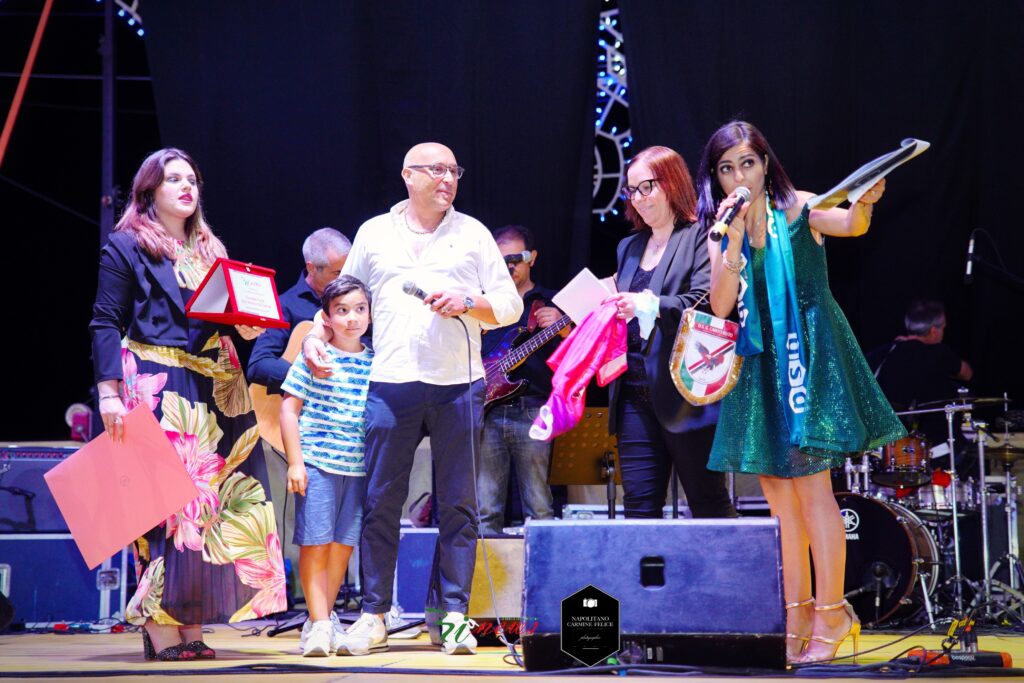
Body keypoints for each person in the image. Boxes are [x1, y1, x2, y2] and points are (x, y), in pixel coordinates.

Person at [301, 142, 522, 655]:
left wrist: (471, 301)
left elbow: (509, 305)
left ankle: (454, 617)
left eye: (453, 171)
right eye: (436, 169)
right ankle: (375, 613)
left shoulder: (473, 235)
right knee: (380, 502)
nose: (447, 178)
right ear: (408, 175)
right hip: (388, 384)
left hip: (459, 387)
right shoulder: (375, 233)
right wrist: (316, 331)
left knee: (460, 507)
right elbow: (343, 296)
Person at [698, 121, 905, 664]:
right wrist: (732, 241)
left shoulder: (801, 206)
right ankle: (796, 614)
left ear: (766, 163)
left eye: (747, 162)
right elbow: (721, 306)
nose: (738, 175)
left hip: (807, 356)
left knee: (814, 493)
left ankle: (833, 612)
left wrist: (866, 202)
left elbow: (850, 224)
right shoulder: (723, 227)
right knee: (780, 503)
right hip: (762, 358)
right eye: (726, 168)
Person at [90, 148, 285, 661]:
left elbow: (229, 316)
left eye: (192, 179)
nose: (185, 187)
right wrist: (108, 392)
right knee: (165, 506)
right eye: (173, 178)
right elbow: (106, 322)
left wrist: (248, 322)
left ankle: (191, 622)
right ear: (149, 189)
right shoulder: (126, 245)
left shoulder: (210, 248)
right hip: (157, 383)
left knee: (214, 508)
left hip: (216, 386)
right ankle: (159, 626)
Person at [605, 145, 736, 520]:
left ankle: (721, 579)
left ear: (671, 182)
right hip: (632, 394)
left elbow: (706, 302)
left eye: (647, 187)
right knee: (639, 509)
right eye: (632, 191)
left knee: (707, 503)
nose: (639, 199)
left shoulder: (700, 235)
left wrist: (646, 305)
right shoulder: (628, 247)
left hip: (686, 392)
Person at [280, 276, 372, 656]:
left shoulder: (376, 361)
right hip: (318, 463)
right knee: (315, 543)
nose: (352, 318)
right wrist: (296, 463)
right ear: (327, 317)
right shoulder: (315, 355)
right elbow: (288, 408)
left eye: (360, 309)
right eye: (342, 310)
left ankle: (325, 616)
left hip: (358, 469)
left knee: (341, 548)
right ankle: (318, 624)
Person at [477, 224, 567, 534]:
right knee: (485, 508)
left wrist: (563, 325)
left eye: (517, 257)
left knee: (539, 506)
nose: (511, 265)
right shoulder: (484, 306)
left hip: (534, 409)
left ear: (533, 258)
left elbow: (584, 351)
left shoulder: (552, 302)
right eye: (503, 259)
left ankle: (544, 580)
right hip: (487, 413)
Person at [247, 228, 351, 394]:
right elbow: (258, 365)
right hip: (293, 411)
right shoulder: (285, 305)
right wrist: (307, 378)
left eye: (349, 270)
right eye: (337, 273)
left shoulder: (355, 305)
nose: (345, 278)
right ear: (311, 268)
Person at [869, 299, 972, 446]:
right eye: (943, 327)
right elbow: (966, 374)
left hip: (885, 440)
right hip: (932, 442)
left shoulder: (882, 352)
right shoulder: (939, 353)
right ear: (933, 330)